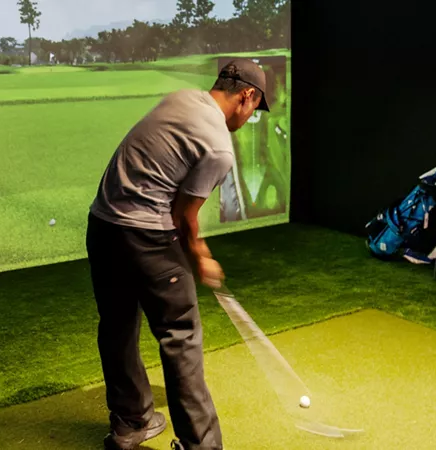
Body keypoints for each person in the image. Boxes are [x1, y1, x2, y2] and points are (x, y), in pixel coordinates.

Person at [85, 59, 270, 450]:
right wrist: (201, 256)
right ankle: (200, 446)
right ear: (246, 95)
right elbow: (183, 216)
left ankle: (130, 422)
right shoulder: (219, 147)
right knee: (180, 335)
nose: (251, 115)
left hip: (102, 226)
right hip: (147, 236)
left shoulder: (181, 98)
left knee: (117, 325)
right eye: (255, 107)